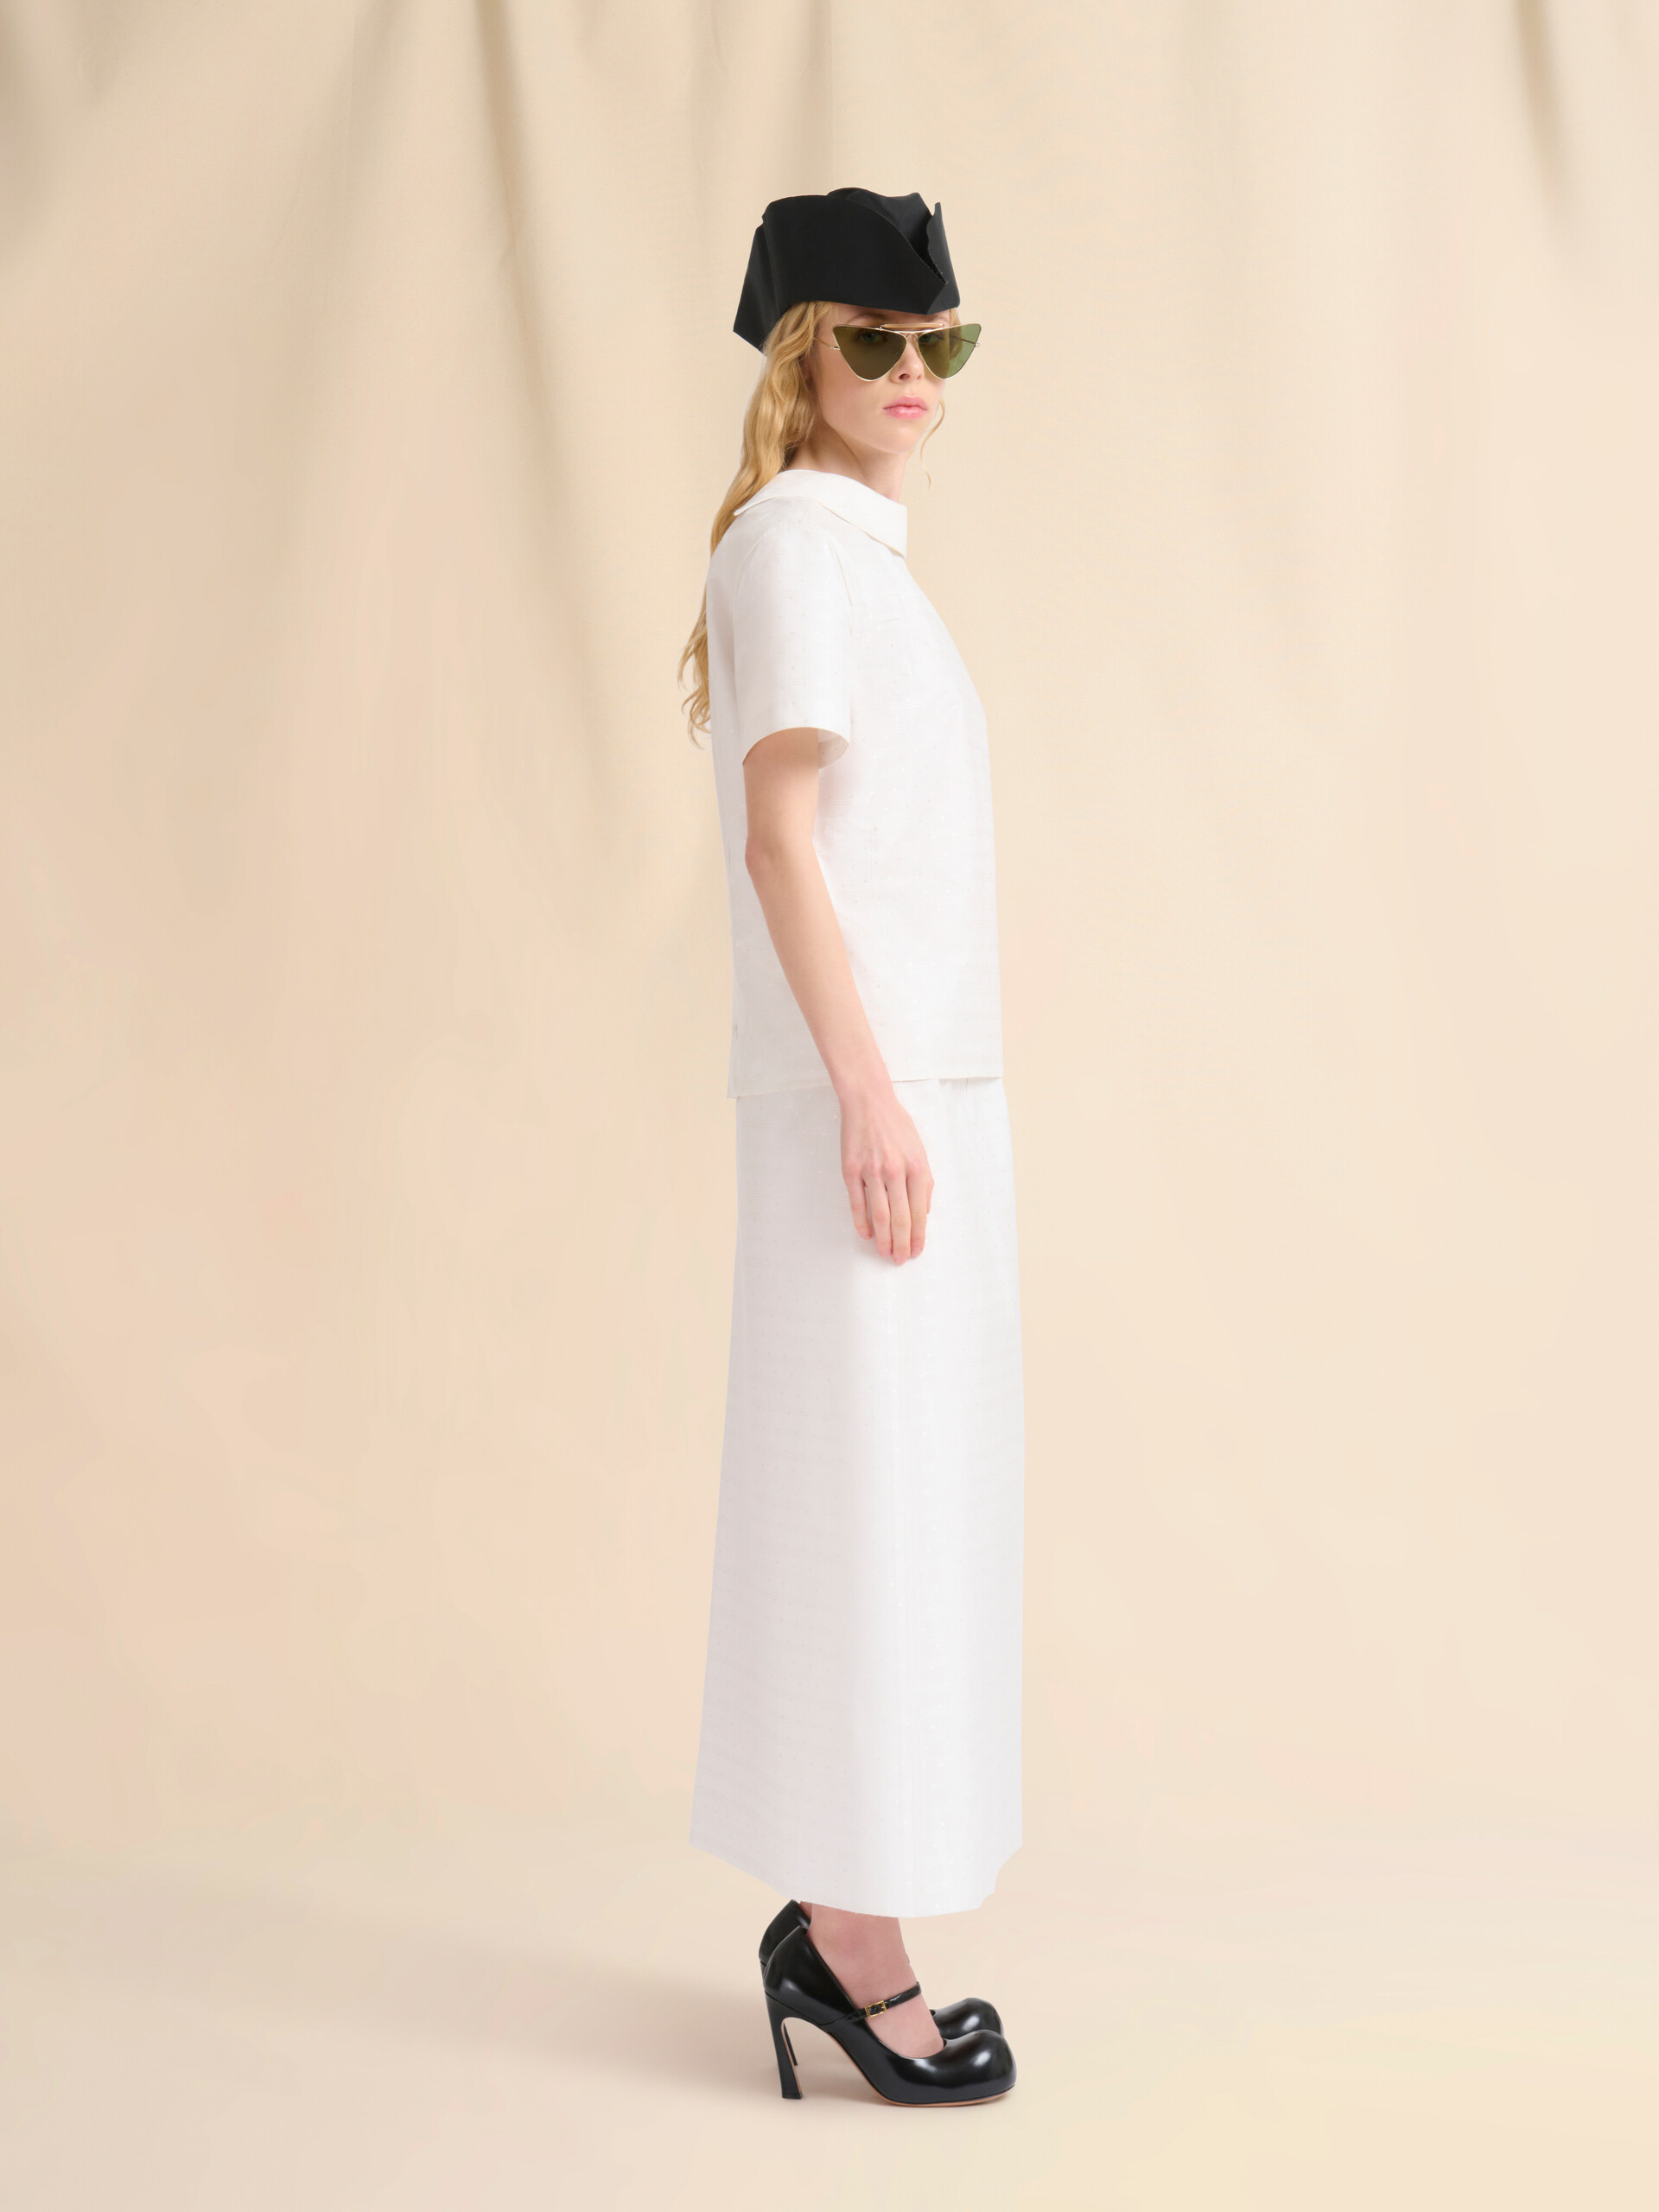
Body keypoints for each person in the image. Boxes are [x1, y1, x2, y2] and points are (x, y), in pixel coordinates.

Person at [678, 189, 1024, 2109]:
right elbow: (780, 842)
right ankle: (850, 1941)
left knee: (906, 1507)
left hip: (915, 1095)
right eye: (873, 342)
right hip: (867, 1108)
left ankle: (841, 1921)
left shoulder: (855, 561)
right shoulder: (798, 550)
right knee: (868, 1512)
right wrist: (873, 1095)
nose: (910, 375)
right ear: (799, 356)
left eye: (935, 342)